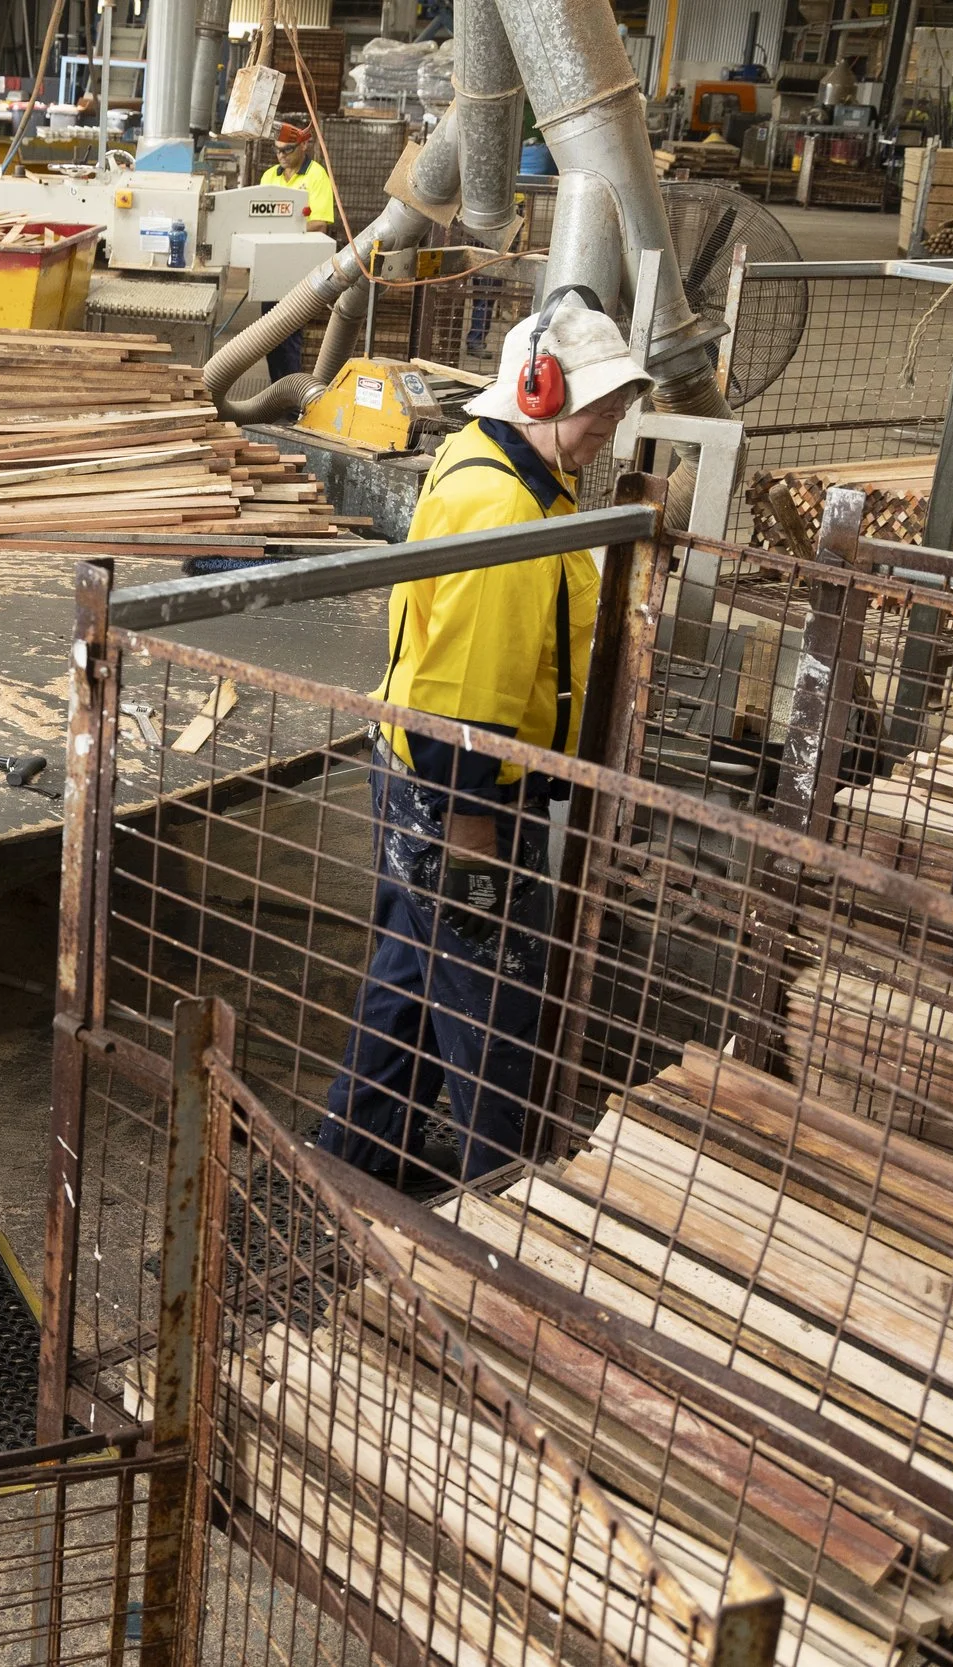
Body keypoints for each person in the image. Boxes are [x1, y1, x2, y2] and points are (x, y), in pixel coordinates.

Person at [315, 290, 651, 1188]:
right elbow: (468, 686)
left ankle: (348, 1160)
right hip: (461, 793)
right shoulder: (503, 509)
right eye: (602, 403)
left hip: (430, 779)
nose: (614, 420)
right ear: (538, 392)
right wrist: (471, 829)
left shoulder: (512, 469)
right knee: (492, 1004)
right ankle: (507, 1199)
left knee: (412, 984)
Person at [260, 122, 338, 383]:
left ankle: (290, 399)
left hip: (298, 268)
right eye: (277, 150)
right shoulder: (270, 176)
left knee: (290, 334)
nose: (281, 155)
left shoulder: (316, 176)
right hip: (270, 265)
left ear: (304, 145)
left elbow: (321, 222)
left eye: (287, 149)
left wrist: (284, 226)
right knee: (268, 336)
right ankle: (275, 392)